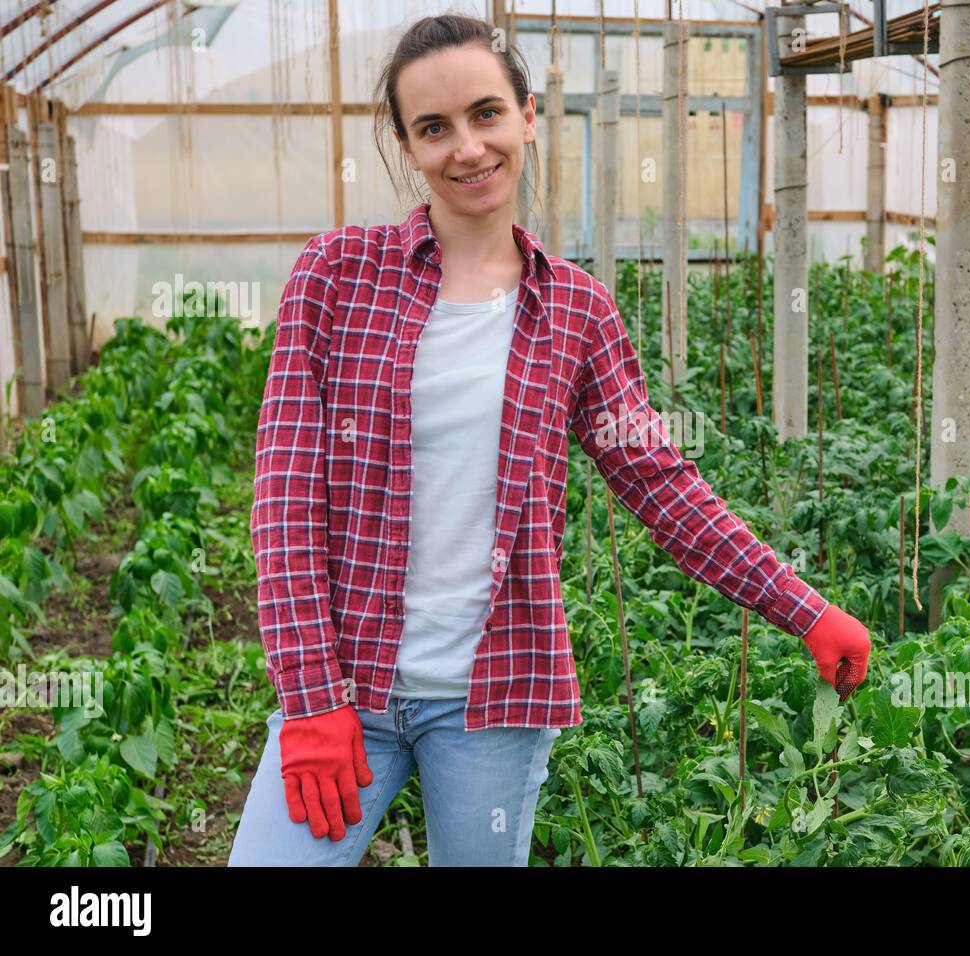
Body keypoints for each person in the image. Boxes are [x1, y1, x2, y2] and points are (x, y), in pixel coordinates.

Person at [228, 12, 871, 868]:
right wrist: (311, 699)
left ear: (529, 115)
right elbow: (283, 497)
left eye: (486, 113)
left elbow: (659, 482)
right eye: (434, 128)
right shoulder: (337, 276)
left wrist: (805, 608)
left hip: (495, 695)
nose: (467, 148)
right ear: (405, 144)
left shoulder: (575, 310)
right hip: (351, 682)